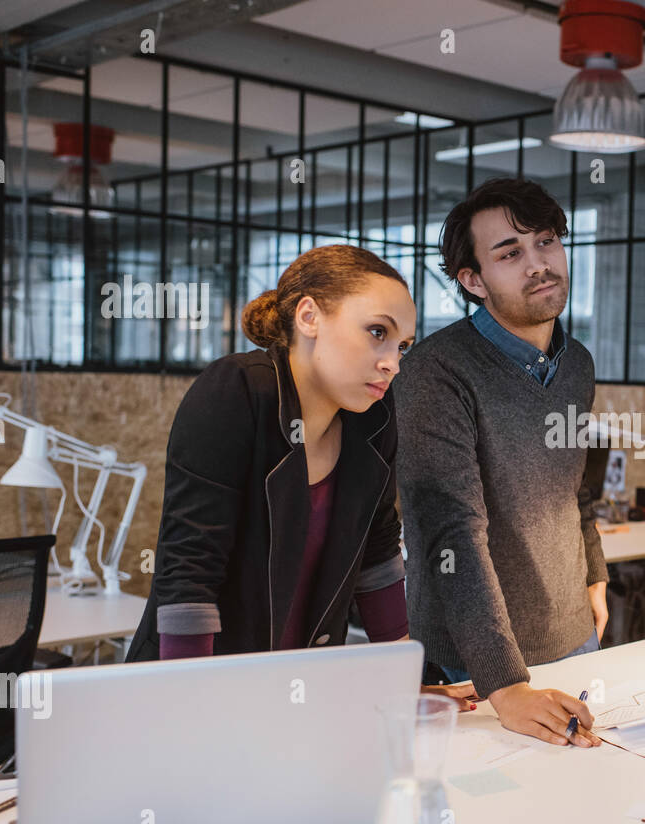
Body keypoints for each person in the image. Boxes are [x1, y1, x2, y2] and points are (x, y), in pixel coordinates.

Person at [125, 244, 475, 711]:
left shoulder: (373, 415)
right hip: (198, 691)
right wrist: (191, 710)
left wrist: (403, 682)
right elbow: (189, 572)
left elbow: (377, 553)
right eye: (377, 333)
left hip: (301, 697)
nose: (393, 362)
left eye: (402, 346)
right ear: (309, 317)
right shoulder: (237, 392)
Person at [394, 177, 609, 747]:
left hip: (574, 634)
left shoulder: (577, 362)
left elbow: (576, 487)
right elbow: (450, 530)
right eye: (510, 253)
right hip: (474, 666)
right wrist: (505, 684)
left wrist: (593, 573)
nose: (538, 263)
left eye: (545, 242)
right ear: (472, 280)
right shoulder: (436, 372)